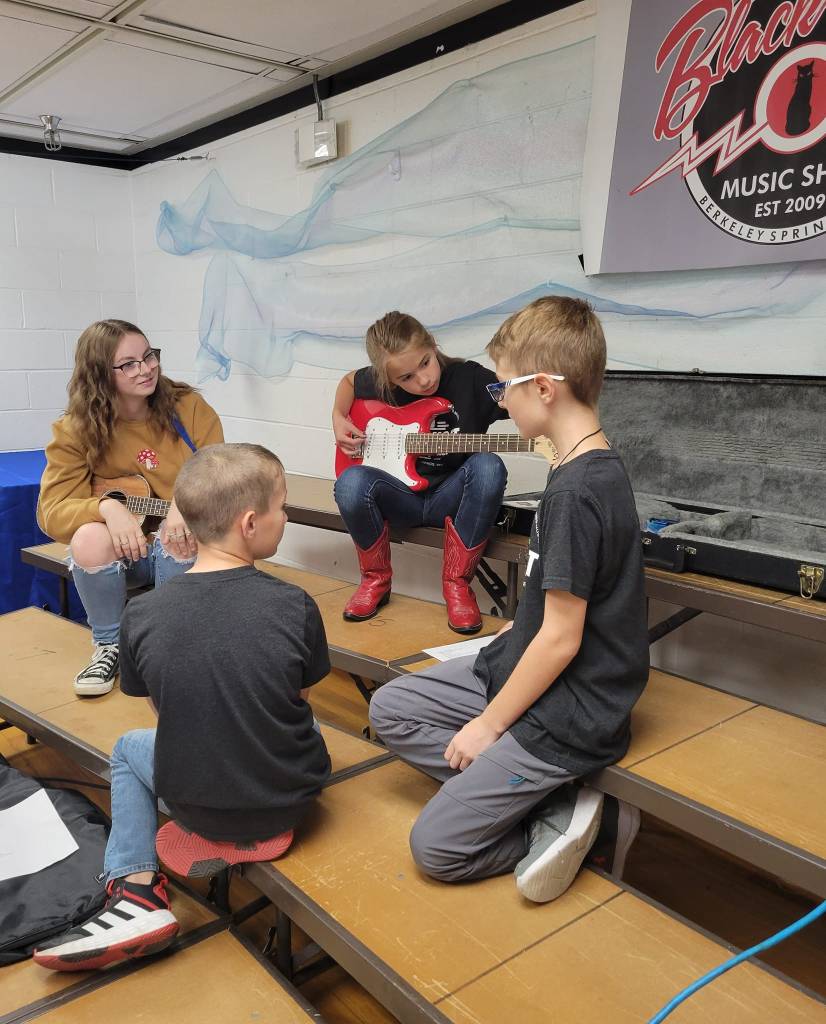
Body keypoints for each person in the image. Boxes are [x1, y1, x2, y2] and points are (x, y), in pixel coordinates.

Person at [368, 297, 649, 903]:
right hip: (521, 662)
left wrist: (488, 727)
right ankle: (545, 799)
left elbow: (563, 638)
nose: (499, 400)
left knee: (436, 847)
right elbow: (554, 610)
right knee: (390, 708)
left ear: (543, 388)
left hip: (571, 710)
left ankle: (567, 817)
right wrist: (516, 633)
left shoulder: (579, 490)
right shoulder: (574, 465)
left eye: (503, 388)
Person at [34, 443, 332, 971]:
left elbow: (165, 710)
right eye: (282, 506)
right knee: (308, 730)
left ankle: (135, 889)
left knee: (128, 748)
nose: (285, 517)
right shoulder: (296, 605)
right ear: (249, 523)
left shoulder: (142, 615)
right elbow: (297, 700)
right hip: (287, 798)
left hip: (195, 806)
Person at [38, 319, 223, 696]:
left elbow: (220, 471)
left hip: (189, 549)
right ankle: (109, 646)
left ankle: (170, 650)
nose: (146, 368)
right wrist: (107, 509)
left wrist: (185, 501)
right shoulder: (76, 429)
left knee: (176, 534)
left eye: (149, 356)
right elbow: (51, 511)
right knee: (88, 538)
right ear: (99, 374)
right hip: (128, 555)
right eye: (128, 364)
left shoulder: (188, 407)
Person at [333, 311, 509, 633]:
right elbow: (348, 382)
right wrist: (337, 416)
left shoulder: (470, 379)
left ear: (432, 344)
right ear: (389, 379)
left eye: (425, 363)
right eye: (406, 378)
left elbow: (519, 396)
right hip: (400, 499)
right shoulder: (383, 383)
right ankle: (375, 580)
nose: (424, 380)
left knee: (488, 465)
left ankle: (457, 585)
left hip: (450, 499)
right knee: (349, 483)